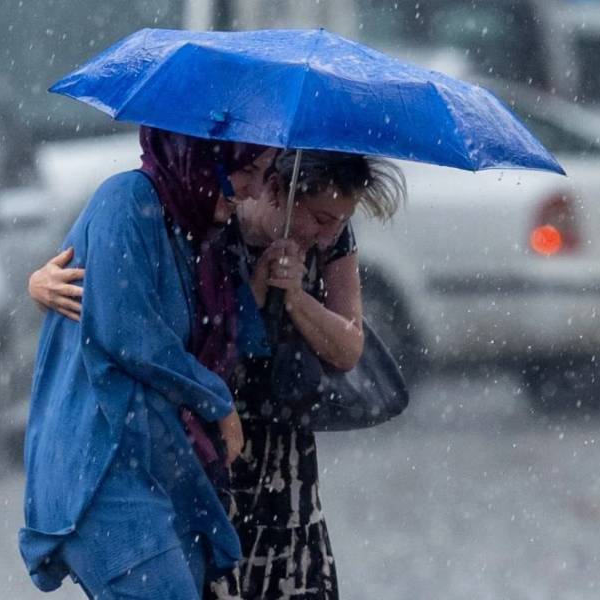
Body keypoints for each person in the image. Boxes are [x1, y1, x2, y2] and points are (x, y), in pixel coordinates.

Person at [30, 149, 406, 600]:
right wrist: (38, 286)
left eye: (340, 223)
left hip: (281, 452)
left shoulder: (330, 244)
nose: (328, 236)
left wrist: (296, 300)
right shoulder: (210, 215)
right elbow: (131, 308)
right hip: (206, 445)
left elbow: (349, 347)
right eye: (321, 218)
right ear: (278, 192)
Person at [19, 125, 275, 600]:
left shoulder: (196, 231)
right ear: (203, 157)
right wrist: (216, 401)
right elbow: (128, 331)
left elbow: (231, 336)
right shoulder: (126, 201)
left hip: (158, 469)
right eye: (248, 170)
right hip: (101, 473)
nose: (257, 190)